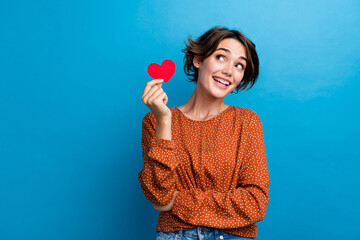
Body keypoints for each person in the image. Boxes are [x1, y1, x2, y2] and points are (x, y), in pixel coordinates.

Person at [139, 26, 270, 239]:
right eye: (221, 57)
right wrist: (164, 120)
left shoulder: (247, 121)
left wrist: (177, 201)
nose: (229, 70)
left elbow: (255, 203)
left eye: (239, 65)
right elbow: (159, 195)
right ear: (198, 60)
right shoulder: (155, 120)